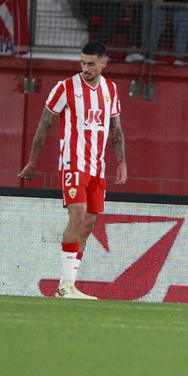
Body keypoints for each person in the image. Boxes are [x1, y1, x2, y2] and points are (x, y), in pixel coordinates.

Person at [16, 42, 127, 300]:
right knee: (77, 216)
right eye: (82, 63)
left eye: (90, 63)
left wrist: (121, 162)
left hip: (97, 167)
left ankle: (70, 285)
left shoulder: (110, 90)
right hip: (72, 163)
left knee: (88, 224)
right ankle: (64, 285)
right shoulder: (65, 87)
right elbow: (44, 126)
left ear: (103, 64)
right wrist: (33, 162)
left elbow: (116, 129)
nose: (85, 68)